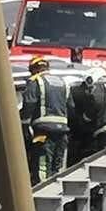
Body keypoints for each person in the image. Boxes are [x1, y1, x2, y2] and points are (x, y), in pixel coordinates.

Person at [21, 56, 69, 185]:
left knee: (42, 163)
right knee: (57, 164)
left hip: (43, 129)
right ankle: (56, 192)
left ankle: (41, 191)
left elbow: (29, 103)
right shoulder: (62, 82)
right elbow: (70, 106)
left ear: (34, 69)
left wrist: (24, 124)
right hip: (62, 129)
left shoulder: (35, 81)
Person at [67, 71, 106, 164]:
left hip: (105, 132)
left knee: (103, 163)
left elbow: (95, 104)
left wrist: (86, 117)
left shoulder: (98, 88)